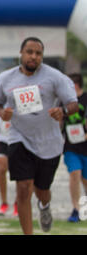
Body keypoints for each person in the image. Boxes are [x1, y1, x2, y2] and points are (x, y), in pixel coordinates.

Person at [0, 36, 78, 235]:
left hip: (49, 143)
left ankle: (45, 206)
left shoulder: (54, 77)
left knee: (42, 190)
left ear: (42, 57)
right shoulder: (6, 78)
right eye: (29, 52)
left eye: (38, 53)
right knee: (23, 187)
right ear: (21, 53)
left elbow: (73, 103)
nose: (33, 56)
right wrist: (1, 112)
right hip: (19, 137)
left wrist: (62, 111)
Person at [63, 73, 87, 223]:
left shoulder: (85, 99)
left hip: (85, 146)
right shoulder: (63, 100)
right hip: (70, 146)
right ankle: (76, 209)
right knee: (75, 174)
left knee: (85, 180)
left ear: (75, 85)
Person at [0, 115, 18, 216]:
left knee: (18, 170)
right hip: (2, 137)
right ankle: (4, 203)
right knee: (1, 168)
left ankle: (18, 203)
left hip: (17, 136)